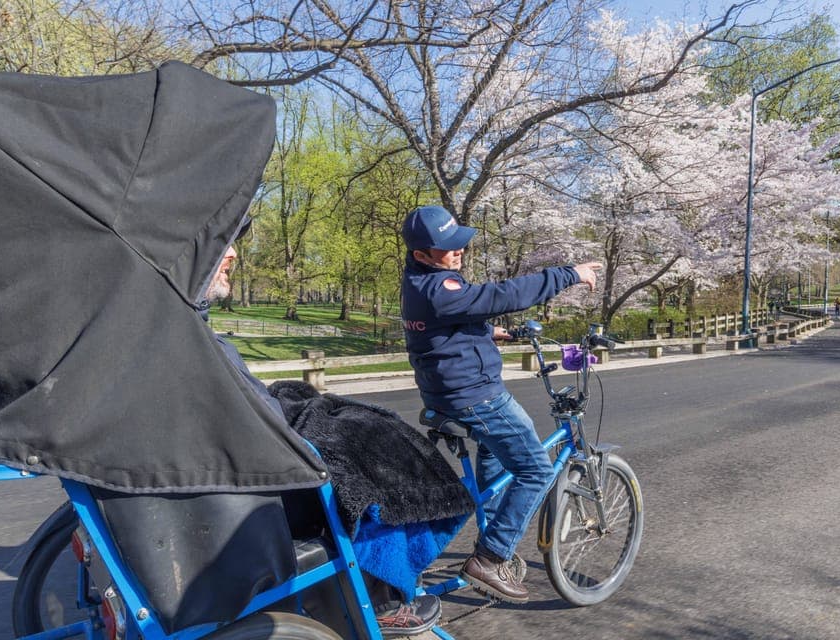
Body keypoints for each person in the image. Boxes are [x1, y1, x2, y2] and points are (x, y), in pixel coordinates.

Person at [203, 246, 441, 636]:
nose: (231, 252)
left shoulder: (183, 331)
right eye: (218, 243)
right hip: (258, 486)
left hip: (244, 463)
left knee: (361, 427)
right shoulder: (191, 339)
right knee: (373, 463)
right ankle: (384, 597)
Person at [400, 205, 601, 604]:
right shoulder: (439, 289)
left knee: (494, 467)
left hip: (448, 392)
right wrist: (568, 274)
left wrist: (487, 331)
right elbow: (501, 295)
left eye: (459, 245)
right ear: (421, 254)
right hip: (475, 396)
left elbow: (446, 322)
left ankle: (481, 532)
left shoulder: (422, 281)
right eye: (447, 248)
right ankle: (490, 559)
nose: (458, 253)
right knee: (535, 470)